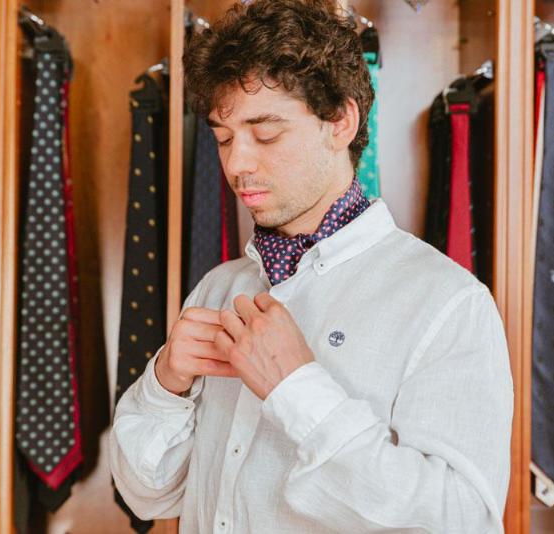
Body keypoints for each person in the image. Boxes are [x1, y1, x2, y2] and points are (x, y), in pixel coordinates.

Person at [109, 1, 514, 532]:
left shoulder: (448, 304)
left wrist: (297, 389)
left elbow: (463, 521)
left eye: (266, 133)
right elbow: (147, 497)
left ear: (340, 121)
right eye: (224, 138)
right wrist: (167, 384)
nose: (237, 164)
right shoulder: (216, 289)